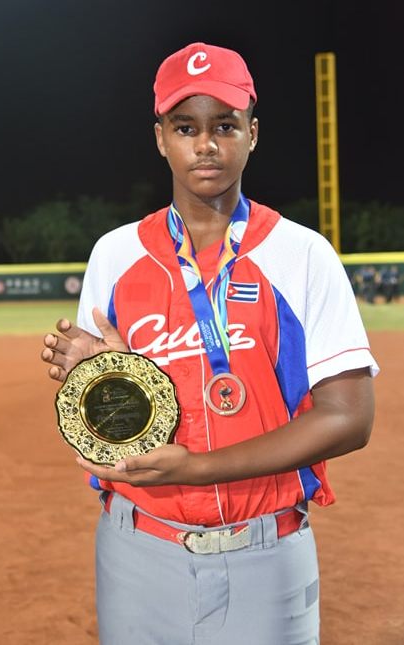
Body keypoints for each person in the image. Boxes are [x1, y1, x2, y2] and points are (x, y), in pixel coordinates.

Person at [41, 42, 378, 645]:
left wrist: (197, 468)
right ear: (160, 137)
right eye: (185, 126)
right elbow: (109, 424)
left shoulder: (301, 255)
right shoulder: (115, 255)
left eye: (224, 125)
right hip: (138, 545)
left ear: (252, 133)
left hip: (266, 549)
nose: (206, 144)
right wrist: (104, 374)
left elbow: (349, 419)